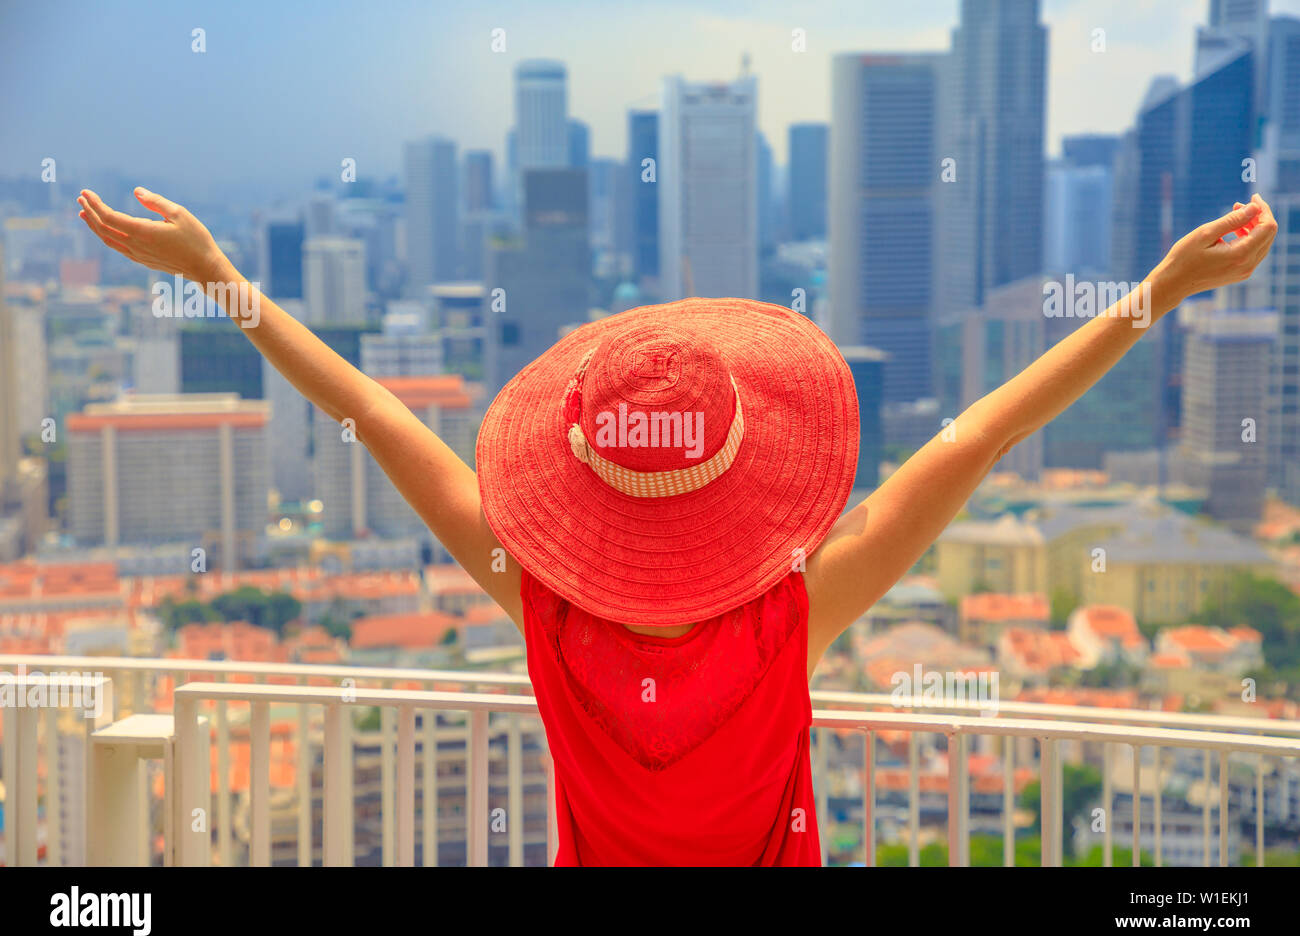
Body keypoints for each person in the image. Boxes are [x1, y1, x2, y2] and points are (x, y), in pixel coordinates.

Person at [77, 187, 1276, 865]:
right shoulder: (797, 612)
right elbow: (977, 439)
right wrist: (1156, 296)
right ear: (746, 475)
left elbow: (373, 410)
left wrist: (219, 273)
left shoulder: (541, 608)